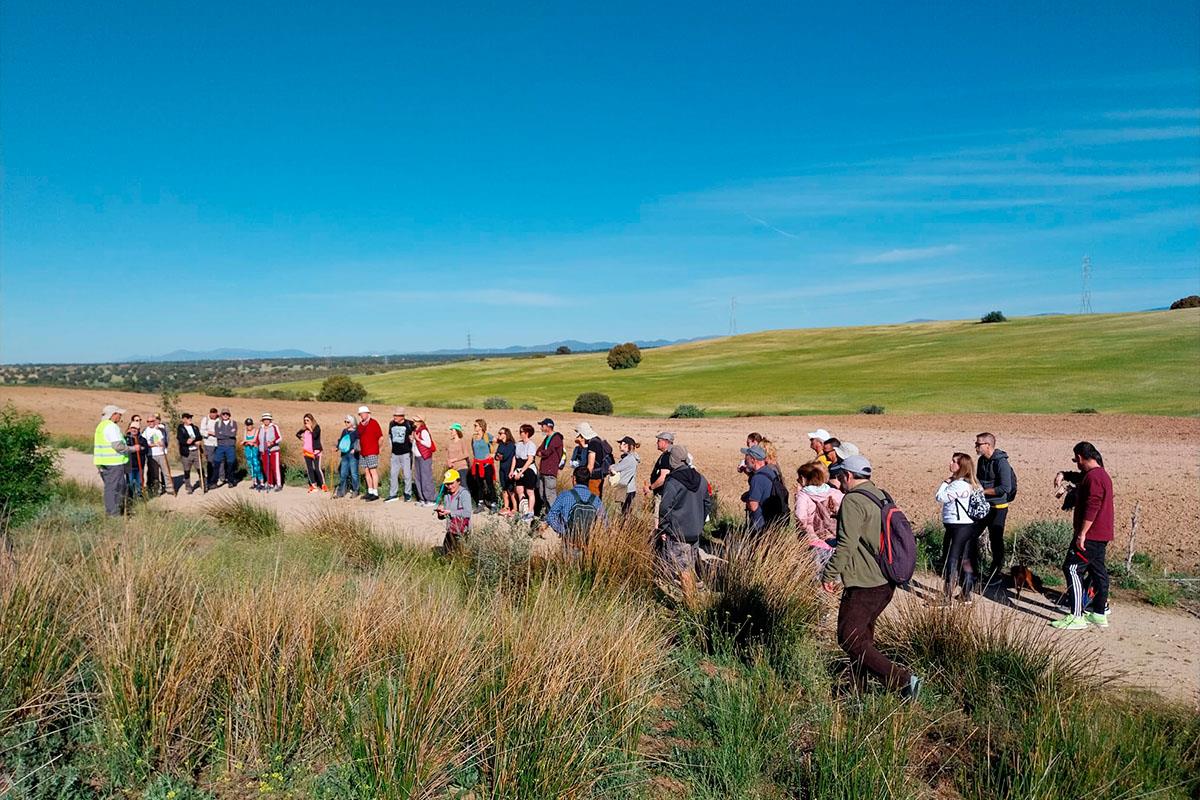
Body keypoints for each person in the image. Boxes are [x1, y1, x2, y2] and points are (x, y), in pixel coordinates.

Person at [822, 455, 922, 698]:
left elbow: (846, 545)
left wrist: (829, 574)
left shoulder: (853, 501)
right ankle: (858, 691)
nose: (839, 480)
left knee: (849, 639)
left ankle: (904, 681)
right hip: (885, 581)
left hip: (865, 583)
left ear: (848, 476)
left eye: (840, 475)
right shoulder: (879, 494)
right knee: (862, 638)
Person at [1051, 442, 1114, 630]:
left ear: (1080, 458)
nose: (1075, 463)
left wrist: (1082, 534)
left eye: (1075, 460)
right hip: (1102, 534)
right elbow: (1080, 477)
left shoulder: (1094, 478)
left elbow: (1092, 507)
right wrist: (1063, 474)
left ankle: (1076, 616)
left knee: (1071, 568)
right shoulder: (1098, 474)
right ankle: (1099, 614)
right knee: (1097, 571)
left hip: (1091, 535)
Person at [656, 445, 711, 594]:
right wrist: (700, 524)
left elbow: (664, 508)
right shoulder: (701, 479)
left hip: (678, 534)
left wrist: (664, 528)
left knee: (683, 572)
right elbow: (707, 503)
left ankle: (691, 606)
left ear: (673, 460)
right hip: (695, 532)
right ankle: (692, 598)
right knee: (689, 568)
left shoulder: (673, 482)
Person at [936, 453, 980, 605]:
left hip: (957, 526)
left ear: (961, 467)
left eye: (955, 462)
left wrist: (945, 482)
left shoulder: (958, 484)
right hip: (968, 525)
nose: (951, 463)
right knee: (966, 560)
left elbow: (940, 497)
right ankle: (966, 594)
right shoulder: (972, 483)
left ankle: (946, 597)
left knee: (952, 559)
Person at [975, 432, 1015, 582]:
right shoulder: (981, 461)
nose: (976, 446)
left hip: (998, 507)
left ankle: (995, 573)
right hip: (983, 506)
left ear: (988, 445)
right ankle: (972, 568)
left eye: (978, 444)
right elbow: (978, 480)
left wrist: (983, 491)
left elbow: (1005, 487)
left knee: (996, 539)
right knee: (972, 535)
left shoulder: (1001, 463)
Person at [545, 465, 607, 557]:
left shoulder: (565, 495)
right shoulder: (596, 499)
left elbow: (550, 516)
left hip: (569, 543)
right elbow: (605, 524)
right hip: (587, 546)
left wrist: (563, 531)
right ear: (588, 480)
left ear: (574, 479)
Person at [795, 461, 843, 567]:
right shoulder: (834, 492)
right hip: (837, 538)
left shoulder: (804, 496)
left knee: (816, 572)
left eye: (799, 478)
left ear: (803, 478)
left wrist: (804, 532)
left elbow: (801, 517)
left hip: (814, 540)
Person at [94, 405, 131, 515]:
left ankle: (114, 511)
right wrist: (132, 449)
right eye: (119, 414)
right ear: (113, 415)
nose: (120, 416)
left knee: (113, 487)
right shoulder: (111, 427)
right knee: (114, 489)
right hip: (113, 464)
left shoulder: (101, 426)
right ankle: (113, 514)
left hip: (103, 462)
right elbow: (118, 446)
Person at [741, 444, 785, 532]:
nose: (745, 460)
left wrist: (746, 497)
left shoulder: (757, 478)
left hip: (760, 525)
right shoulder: (770, 471)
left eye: (746, 457)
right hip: (772, 522)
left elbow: (753, 506)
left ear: (753, 460)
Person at [435, 469, 472, 554]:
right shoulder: (447, 495)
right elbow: (445, 516)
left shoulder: (464, 494)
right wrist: (441, 513)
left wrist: (450, 512)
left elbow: (467, 513)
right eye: (447, 484)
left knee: (459, 555)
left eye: (452, 483)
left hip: (462, 532)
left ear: (458, 481)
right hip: (450, 531)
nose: (450, 486)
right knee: (445, 556)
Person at [643, 431, 675, 526]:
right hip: (669, 493)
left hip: (662, 494)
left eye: (658, 440)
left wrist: (650, 488)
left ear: (665, 442)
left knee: (658, 518)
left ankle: (658, 539)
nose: (656, 442)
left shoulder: (666, 456)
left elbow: (663, 478)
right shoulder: (672, 454)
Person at [534, 418, 564, 516]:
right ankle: (548, 514)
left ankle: (555, 516)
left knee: (550, 495)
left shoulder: (556, 438)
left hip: (550, 471)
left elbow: (547, 452)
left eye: (542, 426)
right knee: (542, 494)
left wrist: (541, 453)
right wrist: (540, 452)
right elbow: (539, 449)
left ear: (548, 426)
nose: (541, 428)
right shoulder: (547, 438)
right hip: (544, 470)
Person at [385, 407, 415, 503]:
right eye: (394, 415)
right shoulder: (391, 423)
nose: (394, 417)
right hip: (394, 453)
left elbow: (414, 435)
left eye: (396, 415)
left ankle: (408, 494)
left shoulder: (409, 424)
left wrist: (412, 440)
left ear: (402, 416)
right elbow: (390, 436)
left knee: (407, 474)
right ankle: (393, 494)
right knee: (393, 474)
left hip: (406, 453)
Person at [469, 419, 498, 512]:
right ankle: (480, 504)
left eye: (476, 425)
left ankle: (494, 503)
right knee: (479, 485)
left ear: (481, 427)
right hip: (477, 464)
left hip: (486, 464)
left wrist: (493, 454)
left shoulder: (487, 436)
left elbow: (497, 442)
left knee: (490, 485)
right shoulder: (473, 437)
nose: (474, 427)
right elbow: (473, 449)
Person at [356, 406, 384, 501]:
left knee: (373, 471)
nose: (361, 415)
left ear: (367, 413)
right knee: (367, 472)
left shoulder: (374, 423)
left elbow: (381, 437)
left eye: (362, 413)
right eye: (360, 414)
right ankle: (370, 491)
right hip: (363, 452)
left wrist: (378, 448)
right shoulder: (360, 425)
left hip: (372, 451)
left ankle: (375, 493)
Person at [512, 423, 539, 520]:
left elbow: (530, 460)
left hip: (529, 470)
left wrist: (521, 472)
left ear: (527, 433)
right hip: (519, 468)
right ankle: (523, 510)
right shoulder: (518, 444)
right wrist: (512, 470)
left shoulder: (531, 445)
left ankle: (531, 511)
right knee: (519, 490)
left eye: (521, 431)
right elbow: (515, 458)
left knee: (529, 491)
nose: (520, 433)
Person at [576, 422, 609, 498]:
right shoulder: (597, 440)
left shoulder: (592, 443)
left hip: (594, 477)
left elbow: (590, 465)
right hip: (599, 475)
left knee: (592, 499)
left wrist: (584, 479)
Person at [610, 436, 641, 516]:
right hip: (628, 488)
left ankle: (624, 527)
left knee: (624, 512)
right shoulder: (630, 457)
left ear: (627, 446)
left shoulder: (628, 459)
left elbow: (615, 468)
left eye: (622, 443)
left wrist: (611, 467)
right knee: (625, 511)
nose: (620, 445)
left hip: (625, 488)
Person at [295, 413, 326, 492]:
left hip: (316, 451)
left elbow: (315, 436)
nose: (306, 422)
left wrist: (310, 429)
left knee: (317, 468)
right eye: (305, 421)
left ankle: (323, 485)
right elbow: (297, 434)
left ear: (312, 420)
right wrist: (303, 439)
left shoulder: (316, 427)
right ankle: (313, 485)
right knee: (309, 469)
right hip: (307, 451)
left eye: (307, 420)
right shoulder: (304, 428)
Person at [411, 414, 437, 506]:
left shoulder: (424, 431)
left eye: (415, 420)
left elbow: (429, 444)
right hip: (418, 457)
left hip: (424, 457)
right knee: (418, 478)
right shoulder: (416, 431)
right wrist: (413, 440)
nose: (413, 422)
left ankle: (430, 499)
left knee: (426, 478)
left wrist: (418, 439)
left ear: (420, 422)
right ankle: (422, 498)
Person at [210, 407, 238, 488]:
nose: (225, 415)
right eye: (223, 414)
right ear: (221, 415)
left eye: (227, 414)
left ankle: (231, 481)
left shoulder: (234, 423)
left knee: (231, 464)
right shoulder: (217, 423)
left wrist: (223, 433)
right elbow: (218, 435)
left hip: (230, 446)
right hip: (220, 446)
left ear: (229, 415)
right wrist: (228, 434)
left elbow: (233, 434)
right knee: (216, 463)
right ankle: (214, 482)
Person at [334, 414, 361, 499]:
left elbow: (359, 442)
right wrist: (337, 447)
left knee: (354, 474)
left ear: (352, 422)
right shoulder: (344, 431)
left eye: (348, 421)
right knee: (343, 474)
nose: (346, 423)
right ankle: (341, 492)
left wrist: (355, 449)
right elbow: (341, 441)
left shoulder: (357, 431)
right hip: (344, 455)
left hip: (353, 455)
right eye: (345, 421)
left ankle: (355, 490)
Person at [141, 414, 169, 496]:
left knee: (166, 472)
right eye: (148, 421)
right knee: (154, 474)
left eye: (152, 421)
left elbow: (163, 435)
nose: (150, 423)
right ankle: (156, 491)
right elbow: (145, 443)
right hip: (151, 455)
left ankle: (169, 489)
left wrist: (162, 443)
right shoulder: (145, 431)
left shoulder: (159, 429)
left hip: (161, 453)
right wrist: (154, 445)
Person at [176, 412, 202, 494]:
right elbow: (181, 439)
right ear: (184, 420)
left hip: (196, 451)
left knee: (200, 468)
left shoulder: (195, 427)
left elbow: (199, 436)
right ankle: (188, 486)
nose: (190, 419)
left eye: (190, 417)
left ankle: (203, 484)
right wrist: (188, 442)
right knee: (187, 470)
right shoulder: (180, 429)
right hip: (186, 452)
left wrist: (196, 441)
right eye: (188, 418)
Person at [256, 412, 283, 491]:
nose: (266, 421)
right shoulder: (260, 428)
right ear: (262, 420)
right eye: (264, 419)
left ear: (270, 420)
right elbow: (258, 439)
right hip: (264, 451)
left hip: (274, 450)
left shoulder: (274, 427)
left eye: (268, 419)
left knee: (275, 467)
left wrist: (272, 443)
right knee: (266, 468)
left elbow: (280, 438)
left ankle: (278, 484)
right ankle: (270, 483)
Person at [494, 427, 517, 516]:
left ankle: (515, 508)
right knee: (504, 489)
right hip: (502, 469)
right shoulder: (501, 445)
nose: (499, 435)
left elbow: (504, 456)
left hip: (509, 469)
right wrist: (498, 456)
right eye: (499, 433)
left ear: (506, 434)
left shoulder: (511, 445)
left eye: (501, 433)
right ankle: (506, 506)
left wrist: (499, 456)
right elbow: (497, 456)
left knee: (511, 489)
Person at [124, 421, 149, 500]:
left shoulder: (142, 439)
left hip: (139, 465)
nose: (134, 430)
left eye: (136, 428)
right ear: (130, 428)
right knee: (130, 482)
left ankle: (139, 497)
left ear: (138, 429)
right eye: (132, 428)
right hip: (129, 465)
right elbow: (125, 449)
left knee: (140, 482)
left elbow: (145, 450)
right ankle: (130, 498)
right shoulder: (126, 439)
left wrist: (140, 448)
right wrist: (134, 449)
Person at [243, 418, 265, 490]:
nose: (249, 426)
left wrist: (246, 441)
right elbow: (245, 441)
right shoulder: (245, 431)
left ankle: (261, 482)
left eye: (250, 424)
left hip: (254, 449)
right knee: (250, 465)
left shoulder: (256, 430)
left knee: (256, 464)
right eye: (247, 425)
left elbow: (254, 440)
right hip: (248, 449)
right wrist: (248, 442)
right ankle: (254, 482)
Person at [200, 407, 219, 477]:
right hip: (208, 443)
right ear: (210, 413)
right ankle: (210, 475)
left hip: (218, 442)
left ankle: (220, 475)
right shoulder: (205, 420)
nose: (214, 416)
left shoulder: (219, 419)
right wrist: (210, 433)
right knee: (210, 460)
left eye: (215, 414)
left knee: (220, 460)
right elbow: (201, 431)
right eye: (212, 414)